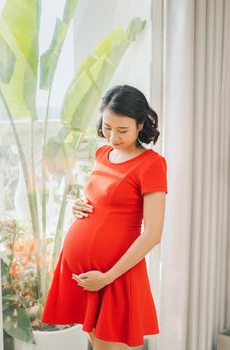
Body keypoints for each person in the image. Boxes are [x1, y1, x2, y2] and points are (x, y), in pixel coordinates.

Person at [40, 84, 168, 350]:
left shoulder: (152, 164)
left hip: (115, 276)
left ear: (141, 124)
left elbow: (153, 234)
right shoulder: (102, 154)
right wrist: (80, 206)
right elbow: (103, 201)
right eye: (107, 127)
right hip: (83, 273)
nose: (112, 137)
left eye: (122, 130)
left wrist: (108, 276)